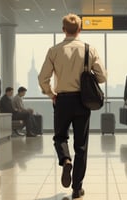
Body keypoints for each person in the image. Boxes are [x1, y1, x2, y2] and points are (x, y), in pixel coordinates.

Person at [38, 13, 107, 199]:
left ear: (63, 30)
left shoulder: (54, 50)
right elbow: (102, 77)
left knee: (60, 136)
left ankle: (65, 159)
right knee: (81, 146)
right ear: (79, 30)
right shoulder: (88, 49)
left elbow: (42, 78)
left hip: (62, 100)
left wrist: (51, 94)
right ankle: (77, 188)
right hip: (82, 101)